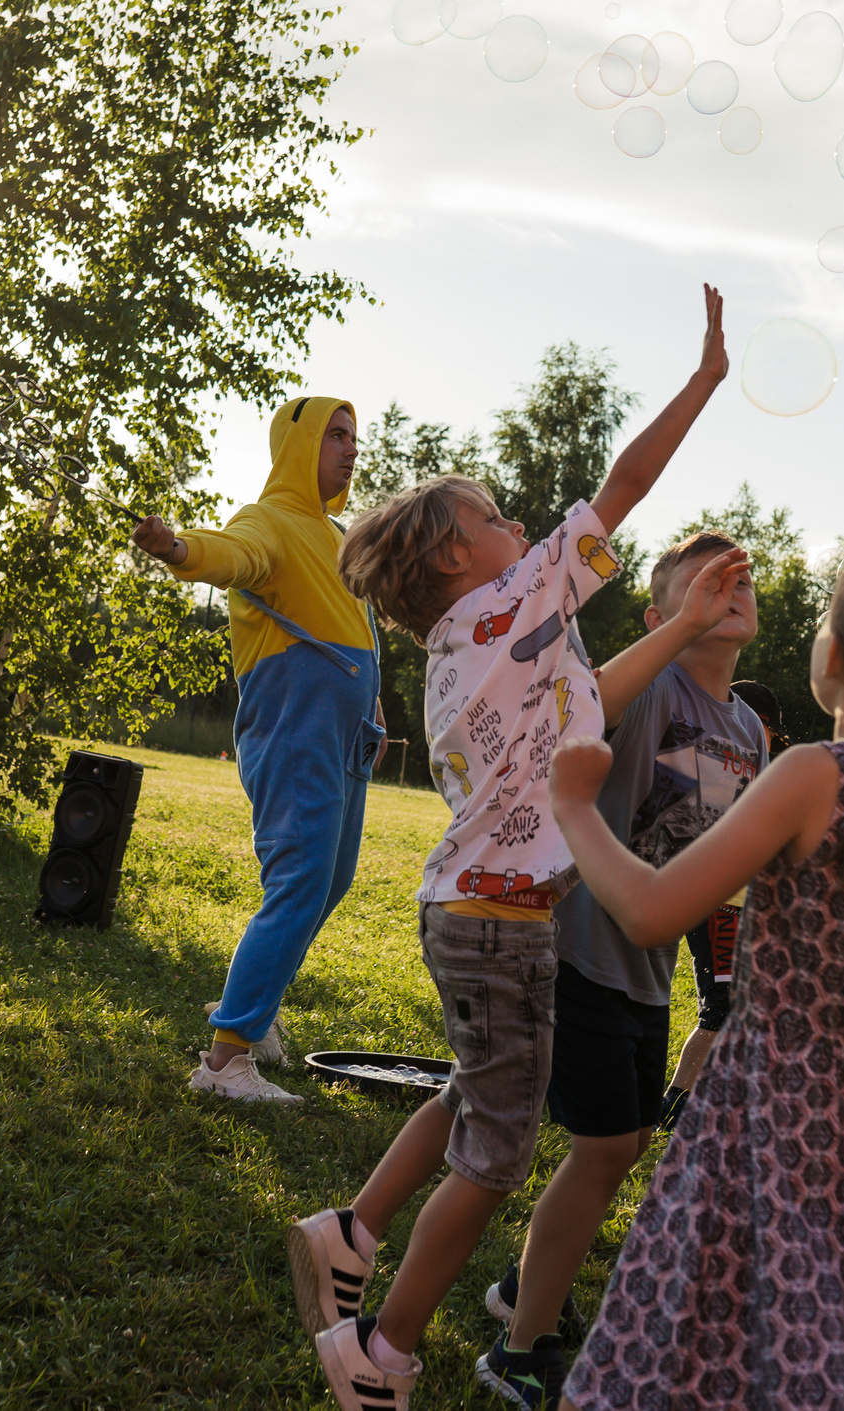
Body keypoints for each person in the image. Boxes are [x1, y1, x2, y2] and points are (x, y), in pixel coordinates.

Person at [288, 285, 730, 1411]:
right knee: (494, 1159)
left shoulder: (486, 640)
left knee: (486, 1110)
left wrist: (680, 625)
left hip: (484, 916)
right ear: (451, 556)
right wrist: (701, 383)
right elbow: (622, 489)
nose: (518, 529)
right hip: (498, 924)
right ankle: (374, 1355)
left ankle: (345, 1235)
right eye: (492, 517)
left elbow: (594, 697)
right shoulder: (504, 609)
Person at [542, 541, 844, 1408]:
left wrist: (573, 807)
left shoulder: (811, 773)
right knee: (841, 1295)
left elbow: (653, 910)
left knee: (714, 1301)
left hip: (770, 1092)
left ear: (841, 655)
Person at [478, 529, 763, 1407]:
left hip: (646, 966)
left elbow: (709, 853)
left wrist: (725, 973)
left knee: (627, 1141)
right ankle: (519, 1348)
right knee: (605, 1146)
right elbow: (591, 699)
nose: (730, 587)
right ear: (660, 611)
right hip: (576, 947)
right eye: (706, 580)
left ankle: (524, 1289)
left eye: (743, 578)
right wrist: (680, 629)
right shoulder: (649, 687)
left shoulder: (747, 726)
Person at [131, 397, 383, 1104]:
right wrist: (177, 548)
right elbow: (229, 555)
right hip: (295, 724)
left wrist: (376, 702)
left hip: (345, 733)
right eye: (335, 435)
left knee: (330, 879)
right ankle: (224, 1062)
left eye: (353, 437)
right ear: (298, 443)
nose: (349, 448)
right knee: (300, 880)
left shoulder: (334, 532)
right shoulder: (266, 518)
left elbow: (353, 622)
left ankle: (257, 1013)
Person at [656, 676, 786, 1128]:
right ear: (754, 720)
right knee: (722, 1006)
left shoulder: (758, 768)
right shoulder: (721, 759)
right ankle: (673, 1104)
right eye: (774, 731)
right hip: (721, 904)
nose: (772, 742)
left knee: (744, 1009)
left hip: (744, 904)